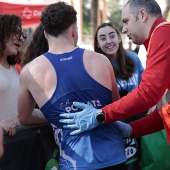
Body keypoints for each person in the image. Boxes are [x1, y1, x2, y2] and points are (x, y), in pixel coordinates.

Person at [17, 2, 130, 170]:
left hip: (75, 162)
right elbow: (116, 107)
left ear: (46, 33)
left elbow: (24, 117)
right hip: (114, 157)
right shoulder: (101, 61)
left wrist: (58, 115)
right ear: (74, 30)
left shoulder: (30, 71)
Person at [59, 0, 170, 145]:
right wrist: (131, 129)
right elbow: (164, 110)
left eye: (126, 21)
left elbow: (148, 94)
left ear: (142, 15)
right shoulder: (160, 35)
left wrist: (101, 115)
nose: (123, 29)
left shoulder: (163, 34)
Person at [94, 22, 145, 169]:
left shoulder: (133, 59)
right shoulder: (95, 67)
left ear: (119, 38)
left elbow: (144, 89)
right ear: (98, 44)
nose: (109, 41)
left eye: (112, 36)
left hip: (137, 123)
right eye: (103, 38)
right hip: (112, 127)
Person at [0, 14, 27, 137]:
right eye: (16, 32)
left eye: (22, 35)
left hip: (14, 143)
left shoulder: (15, 68)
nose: (20, 39)